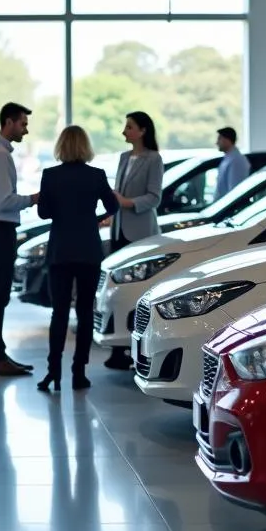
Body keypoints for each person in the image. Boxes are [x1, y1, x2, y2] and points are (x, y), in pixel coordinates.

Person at [36, 125, 119, 393]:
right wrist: (92, 220)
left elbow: (43, 213)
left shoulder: (50, 175)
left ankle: (53, 372)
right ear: (86, 147)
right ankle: (79, 372)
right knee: (84, 312)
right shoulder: (96, 176)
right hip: (88, 250)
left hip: (60, 250)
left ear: (61, 146)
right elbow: (113, 205)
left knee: (59, 312)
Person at [0, 102, 40, 377]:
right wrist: (34, 199)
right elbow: (5, 200)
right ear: (9, 122)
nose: (26, 130)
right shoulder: (0, 155)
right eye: (23, 124)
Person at [105, 111, 163, 371]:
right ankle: (119, 348)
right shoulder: (123, 158)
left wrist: (127, 203)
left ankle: (138, 349)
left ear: (142, 131)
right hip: (119, 229)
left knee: (138, 290)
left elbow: (153, 198)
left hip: (140, 231)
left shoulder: (154, 159)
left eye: (128, 127)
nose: (124, 131)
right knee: (118, 290)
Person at [215, 126, 250, 200]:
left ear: (227, 140)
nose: (217, 143)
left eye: (219, 139)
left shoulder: (237, 161)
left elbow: (235, 192)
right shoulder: (229, 159)